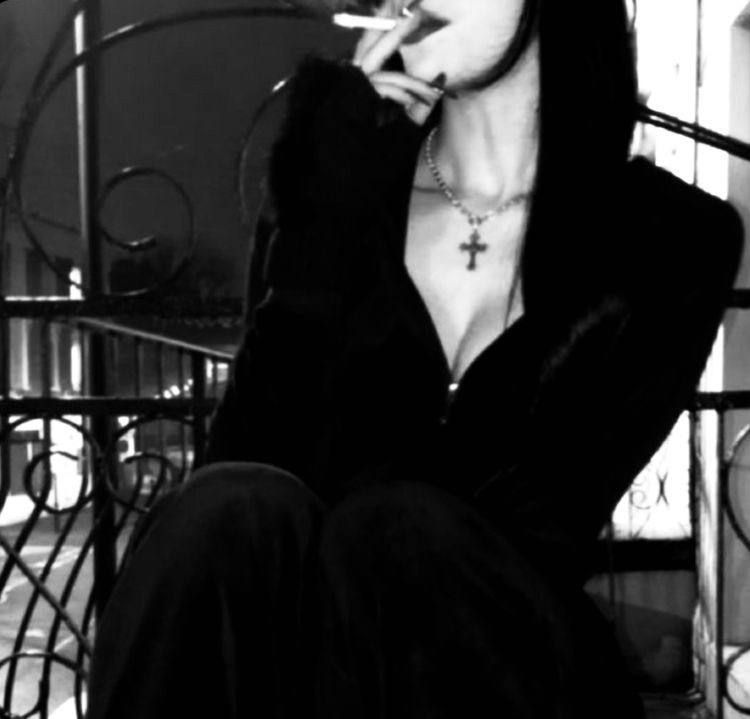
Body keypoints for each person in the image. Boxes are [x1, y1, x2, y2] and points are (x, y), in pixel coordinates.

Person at [85, 1, 745, 717]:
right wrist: (331, 204)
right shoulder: (336, 191)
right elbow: (246, 479)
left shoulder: (672, 240)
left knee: (396, 533)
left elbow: (545, 519)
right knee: (228, 508)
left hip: (502, 672)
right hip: (313, 679)